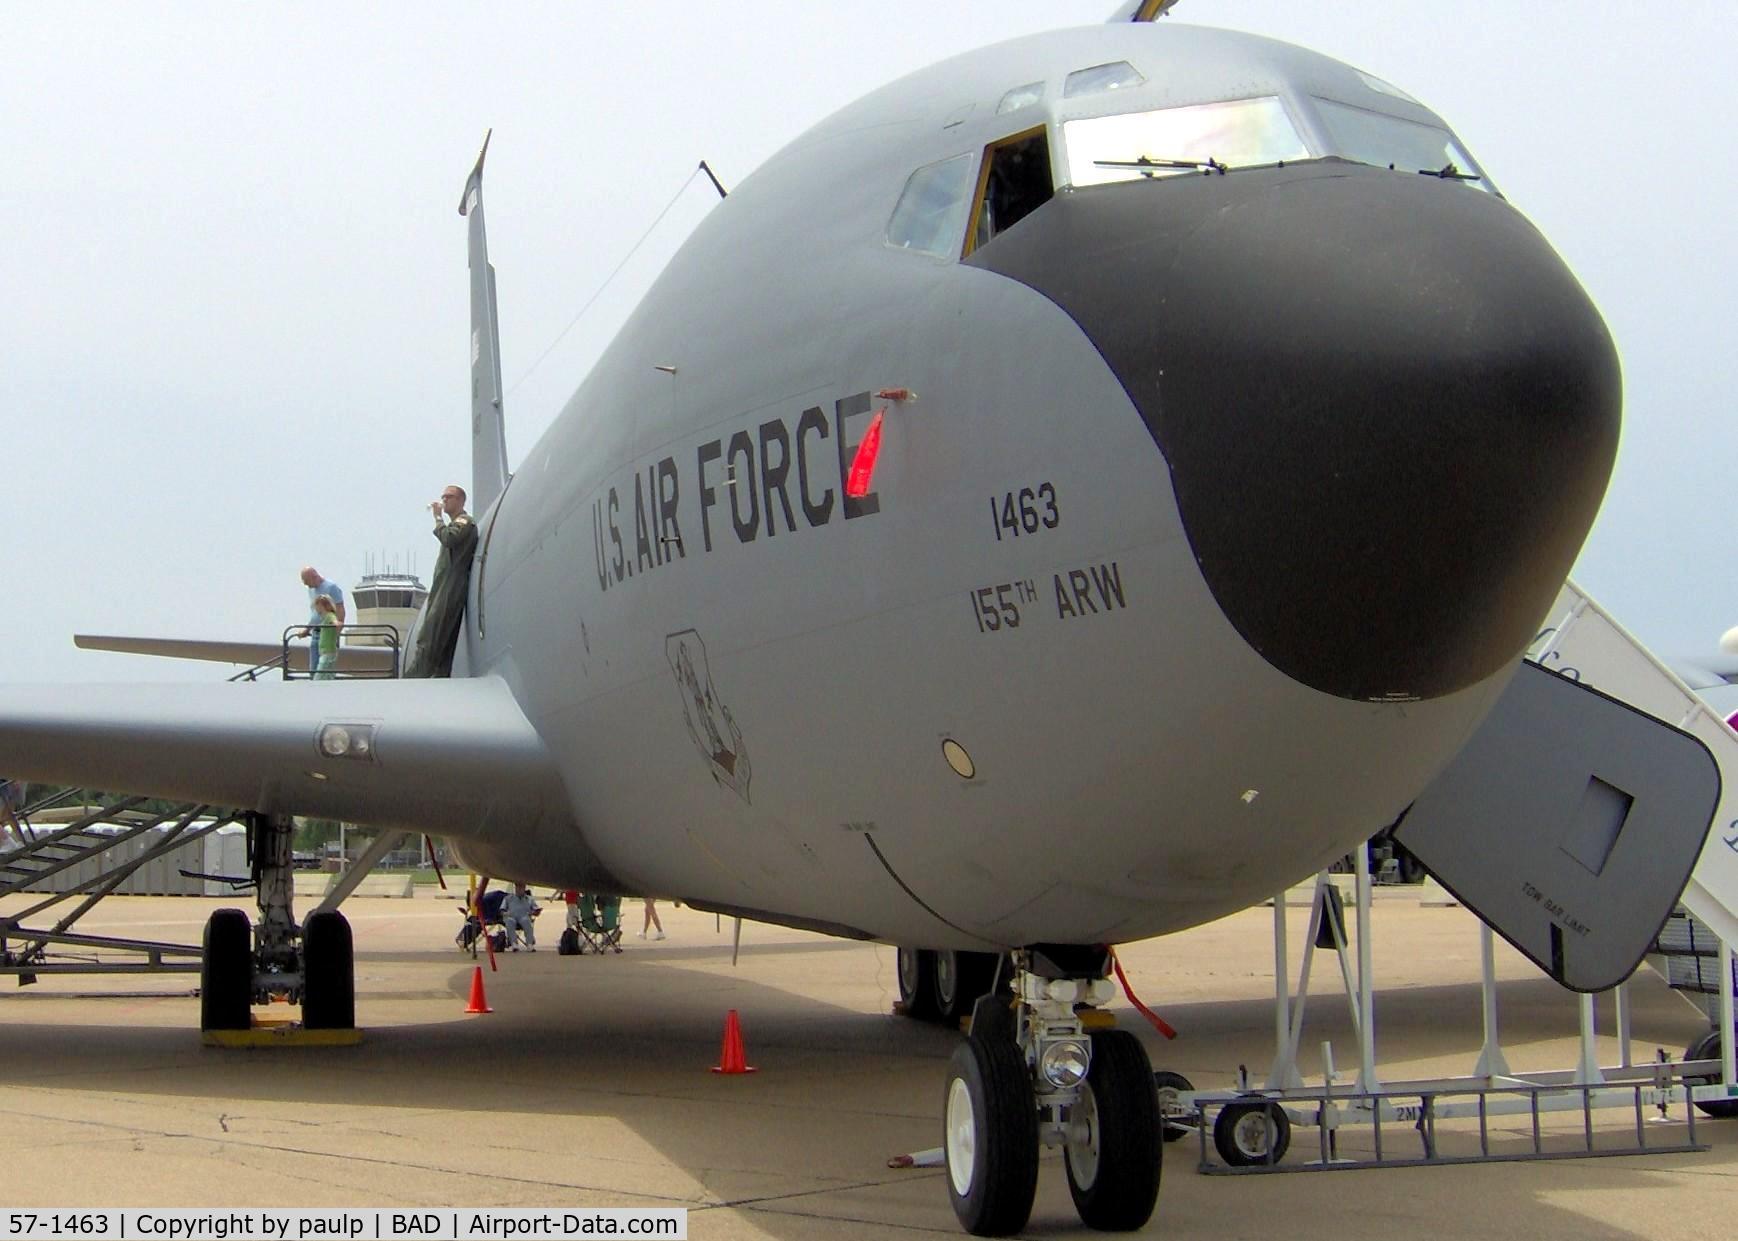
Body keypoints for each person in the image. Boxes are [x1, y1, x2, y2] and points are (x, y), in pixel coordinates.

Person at [404, 485, 478, 679]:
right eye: (443, 497)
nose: (444, 500)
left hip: (451, 584)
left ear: (461, 500)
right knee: (437, 635)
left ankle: (415, 678)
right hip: (443, 583)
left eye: (449, 497)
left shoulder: (464, 521)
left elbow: (449, 538)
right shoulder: (457, 522)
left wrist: (438, 518)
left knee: (432, 635)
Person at [301, 567, 346, 675]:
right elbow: (315, 614)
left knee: (325, 668)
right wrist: (307, 630)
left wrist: (337, 631)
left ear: (314, 577)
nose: (307, 585)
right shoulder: (311, 590)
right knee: (313, 669)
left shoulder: (331, 587)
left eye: (307, 582)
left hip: (328, 632)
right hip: (316, 632)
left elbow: (340, 608)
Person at [310, 594, 341, 680]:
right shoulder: (325, 618)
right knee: (328, 675)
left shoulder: (329, 615)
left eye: (317, 606)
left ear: (321, 605)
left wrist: (337, 624)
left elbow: (334, 621)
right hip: (325, 651)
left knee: (319, 676)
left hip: (328, 652)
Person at [501, 883, 539, 951]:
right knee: (509, 921)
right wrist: (506, 913)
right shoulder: (508, 898)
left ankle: (529, 944)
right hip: (512, 916)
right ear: (515, 888)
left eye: (521, 888)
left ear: (524, 888)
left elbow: (535, 910)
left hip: (524, 916)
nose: (520, 889)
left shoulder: (529, 899)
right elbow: (502, 910)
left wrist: (535, 912)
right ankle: (514, 943)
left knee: (526, 921)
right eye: (518, 887)